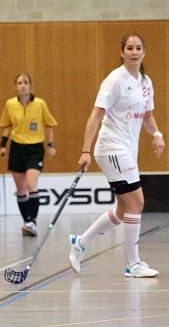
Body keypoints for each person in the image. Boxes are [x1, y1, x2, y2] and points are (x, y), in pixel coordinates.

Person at [69, 33, 164, 278]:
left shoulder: (145, 82)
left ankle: (80, 242)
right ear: (122, 52)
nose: (134, 52)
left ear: (144, 52)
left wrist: (156, 134)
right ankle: (133, 264)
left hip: (128, 150)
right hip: (112, 148)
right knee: (137, 202)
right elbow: (95, 116)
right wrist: (85, 150)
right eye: (129, 48)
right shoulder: (114, 80)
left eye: (138, 48)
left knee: (123, 210)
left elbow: (148, 116)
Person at [0, 72, 58, 237]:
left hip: (35, 148)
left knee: (31, 184)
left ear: (30, 86)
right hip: (17, 148)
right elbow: (7, 125)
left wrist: (50, 145)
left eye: (25, 82)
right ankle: (27, 221)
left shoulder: (40, 104)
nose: (23, 86)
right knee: (20, 188)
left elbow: (49, 125)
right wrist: (3, 145)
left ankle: (33, 221)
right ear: (16, 87)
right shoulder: (10, 104)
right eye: (19, 83)